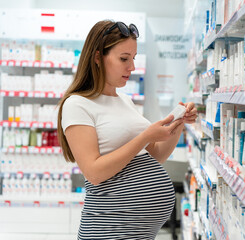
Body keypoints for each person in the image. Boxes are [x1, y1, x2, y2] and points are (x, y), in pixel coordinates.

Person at [57, 20, 197, 240]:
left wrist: (179, 123)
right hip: (107, 232)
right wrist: (145, 136)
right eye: (124, 59)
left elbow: (156, 154)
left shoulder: (125, 100)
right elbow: (93, 173)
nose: (131, 67)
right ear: (97, 57)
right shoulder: (77, 104)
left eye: (133, 58)